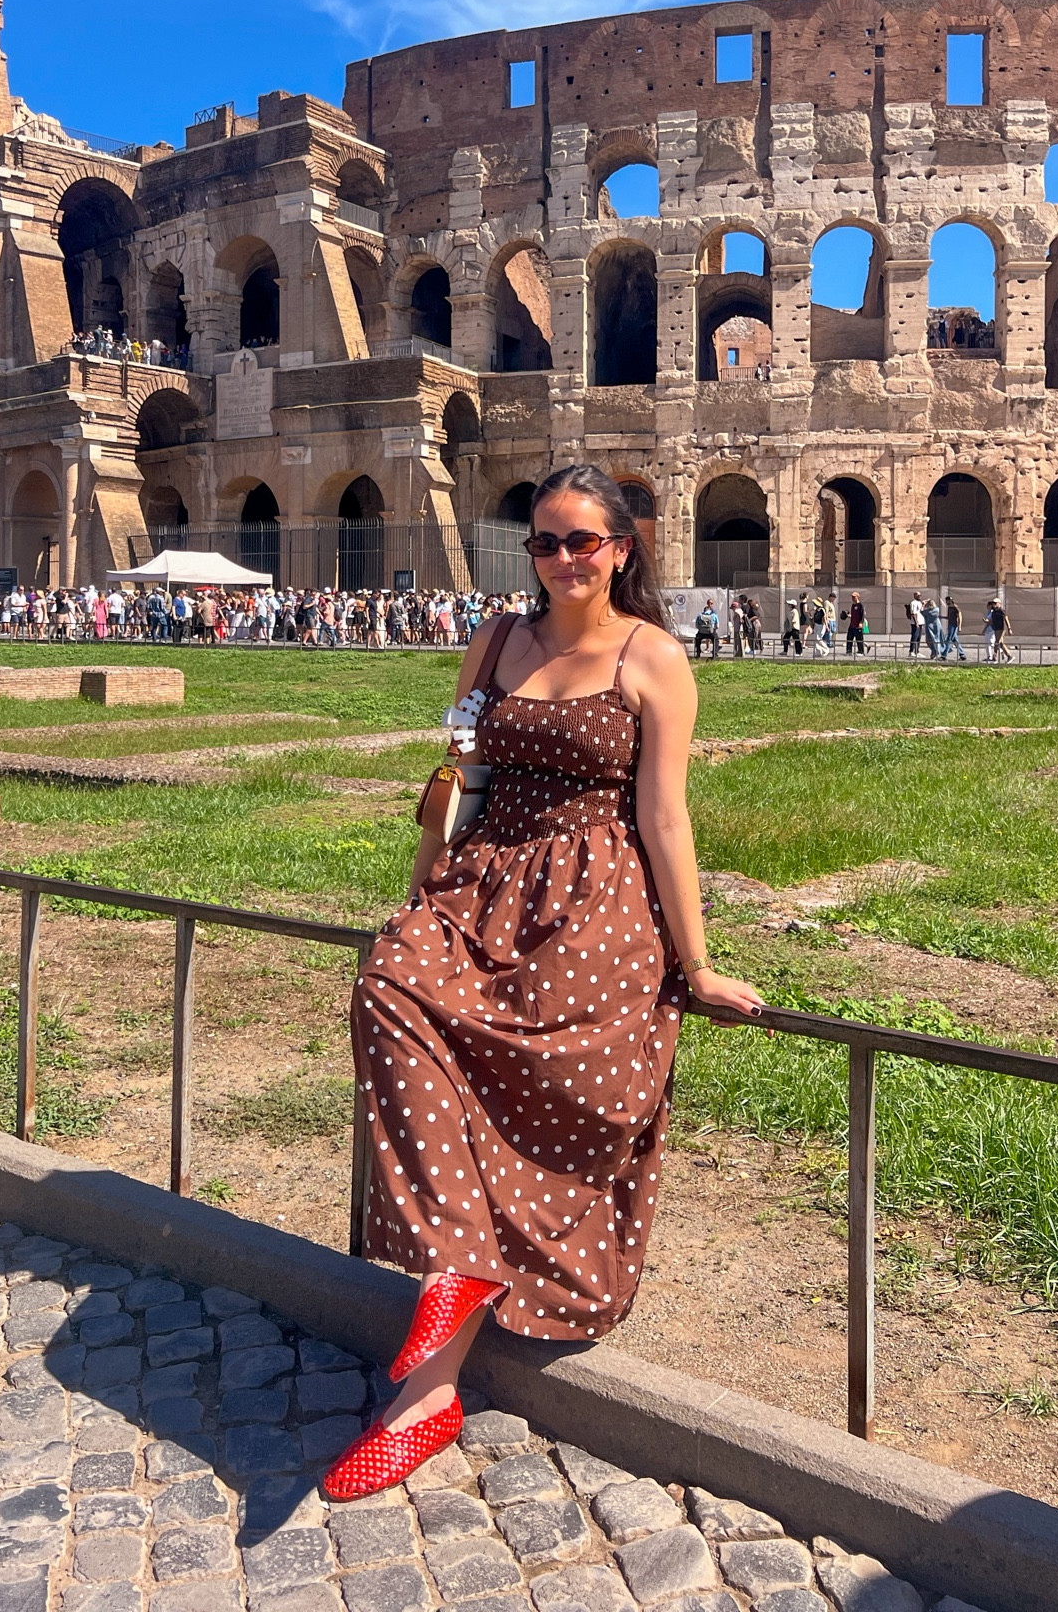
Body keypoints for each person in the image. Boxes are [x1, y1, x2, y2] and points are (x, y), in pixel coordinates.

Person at [324, 464, 762, 1499]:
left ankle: (426, 1386)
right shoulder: (495, 639)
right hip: (483, 883)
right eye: (544, 542)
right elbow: (456, 772)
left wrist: (695, 963)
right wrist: (418, 890)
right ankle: (461, 1262)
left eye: (583, 540)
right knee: (390, 986)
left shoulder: (654, 657)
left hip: (595, 901)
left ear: (622, 548)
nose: (563, 558)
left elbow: (665, 816)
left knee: (556, 1073)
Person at [941, 592, 966, 662]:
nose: (946, 602)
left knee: (949, 640)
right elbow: (949, 617)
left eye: (947, 601)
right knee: (955, 640)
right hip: (950, 625)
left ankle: (944, 655)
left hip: (953, 625)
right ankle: (962, 654)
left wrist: (959, 626)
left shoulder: (955, 607)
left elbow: (959, 616)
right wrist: (942, 617)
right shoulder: (949, 608)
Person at [907, 592, 924, 657]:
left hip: (920, 622)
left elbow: (921, 611)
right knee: (914, 637)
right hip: (915, 623)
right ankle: (911, 651)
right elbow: (914, 613)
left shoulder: (919, 603)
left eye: (920, 595)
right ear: (914, 595)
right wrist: (916, 622)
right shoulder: (913, 603)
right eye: (918, 595)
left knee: (918, 637)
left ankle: (917, 651)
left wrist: (923, 604)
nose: (919, 596)